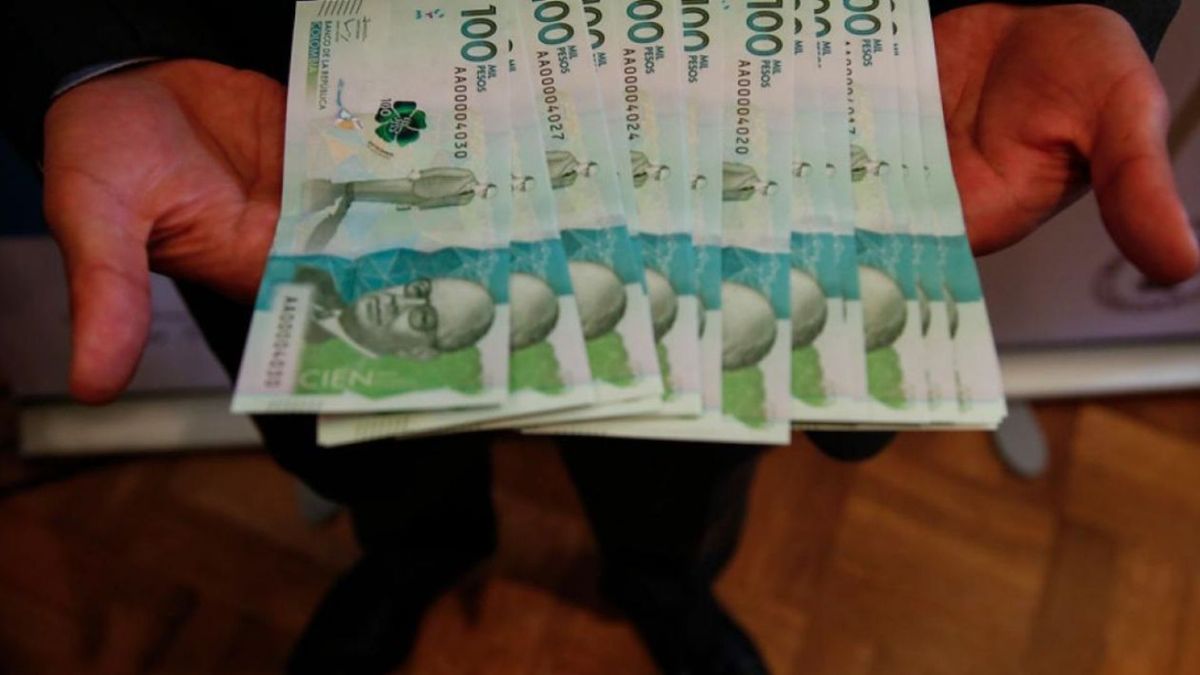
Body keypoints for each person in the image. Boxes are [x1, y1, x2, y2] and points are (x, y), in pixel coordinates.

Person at [1, 1, 1196, 674]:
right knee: (375, 436)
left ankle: (659, 580)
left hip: (760, 125)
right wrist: (88, 47)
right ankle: (413, 555)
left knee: (681, 451)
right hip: (293, 120)